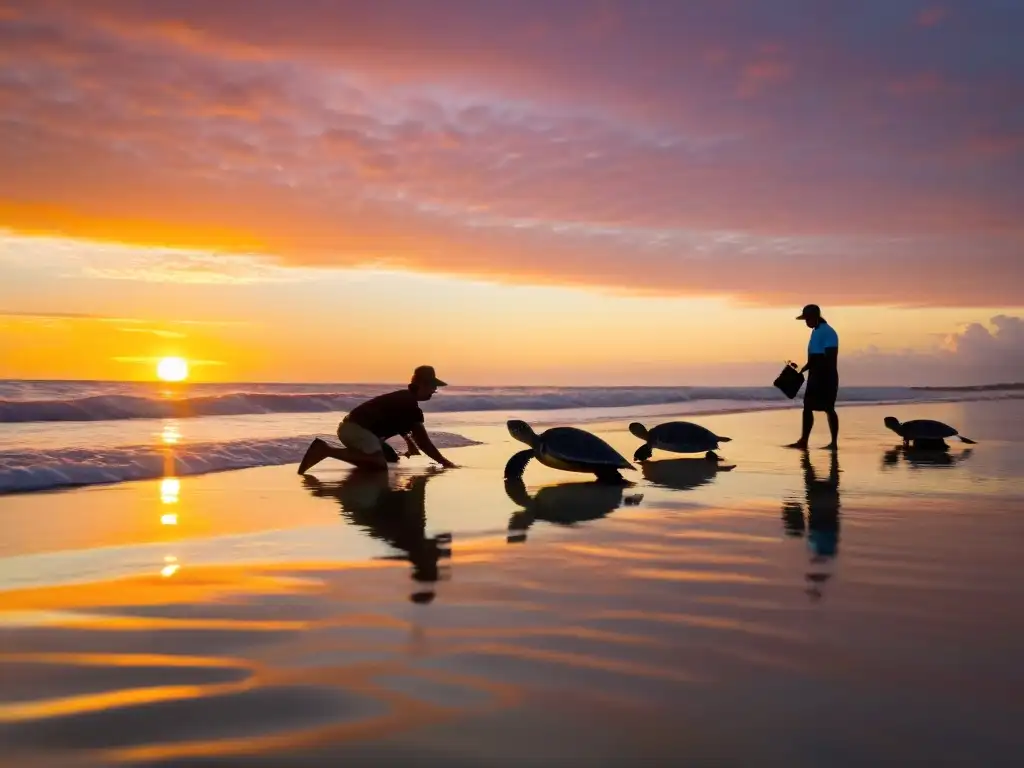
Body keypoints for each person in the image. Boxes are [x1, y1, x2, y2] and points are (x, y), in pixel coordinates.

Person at [297, 365, 459, 474]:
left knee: (391, 458)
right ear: (423, 384)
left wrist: (409, 442)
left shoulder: (404, 398)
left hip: (354, 430)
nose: (435, 390)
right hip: (356, 429)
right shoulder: (409, 404)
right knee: (379, 465)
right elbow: (423, 441)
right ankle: (325, 450)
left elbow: (398, 422)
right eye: (433, 386)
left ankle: (362, 458)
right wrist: (445, 462)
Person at [788, 304, 839, 450]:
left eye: (807, 319)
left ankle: (822, 442)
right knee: (817, 407)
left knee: (821, 407)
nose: (806, 322)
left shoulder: (825, 332)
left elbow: (827, 357)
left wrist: (814, 371)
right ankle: (809, 440)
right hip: (820, 374)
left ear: (815, 317)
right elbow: (814, 358)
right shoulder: (818, 331)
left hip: (823, 375)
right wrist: (802, 370)